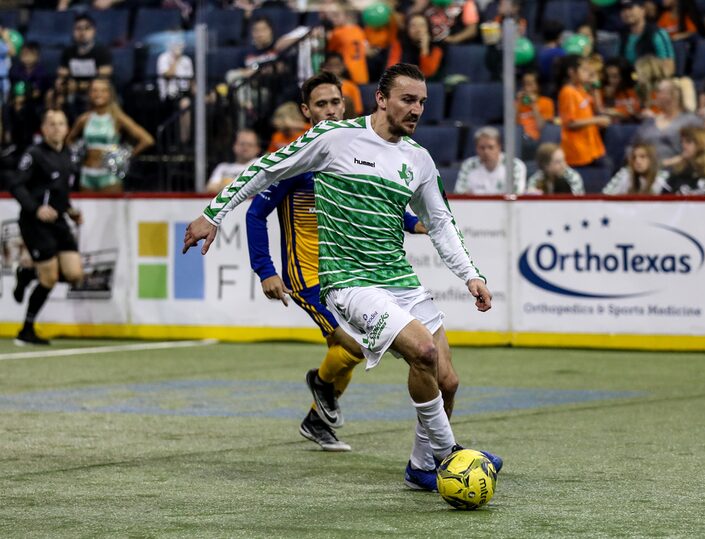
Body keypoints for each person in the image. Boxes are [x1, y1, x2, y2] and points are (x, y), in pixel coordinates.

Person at [182, 63, 502, 492]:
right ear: (381, 99)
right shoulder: (334, 137)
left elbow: (441, 223)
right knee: (423, 352)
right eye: (408, 100)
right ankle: (451, 455)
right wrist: (212, 214)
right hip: (349, 282)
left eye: (423, 102)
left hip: (399, 280)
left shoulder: (418, 159)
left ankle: (421, 465)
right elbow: (267, 169)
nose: (417, 110)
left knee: (448, 381)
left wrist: (471, 276)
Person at [247, 71, 426, 452]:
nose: (330, 111)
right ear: (306, 111)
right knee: (354, 344)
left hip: (345, 269)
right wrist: (266, 270)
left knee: (358, 344)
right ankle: (321, 385)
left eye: (335, 103)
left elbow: (376, 200)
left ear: (344, 105)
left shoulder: (353, 150)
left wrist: (414, 222)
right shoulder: (297, 158)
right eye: (321, 104)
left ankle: (316, 416)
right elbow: (254, 213)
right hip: (307, 271)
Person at [9, 109, 84, 346]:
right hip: (35, 222)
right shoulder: (34, 154)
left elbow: (60, 191)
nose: (56, 128)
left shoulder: (69, 155)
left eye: (61, 123)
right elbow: (16, 185)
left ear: (67, 128)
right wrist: (35, 209)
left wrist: (70, 211)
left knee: (74, 274)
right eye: (51, 124)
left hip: (59, 220)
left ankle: (28, 273)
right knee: (50, 278)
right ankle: (26, 330)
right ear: (43, 128)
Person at [66, 78, 154, 193]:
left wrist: (125, 156)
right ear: (89, 94)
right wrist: (78, 154)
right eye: (95, 90)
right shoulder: (84, 119)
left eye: (103, 91)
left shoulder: (117, 118)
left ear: (110, 94)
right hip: (86, 174)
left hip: (109, 176)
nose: (98, 94)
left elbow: (147, 140)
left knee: (111, 211)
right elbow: (69, 140)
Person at [557, 55, 612, 170]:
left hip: (592, 148)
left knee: (607, 167)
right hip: (577, 151)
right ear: (572, 72)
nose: (587, 73)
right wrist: (597, 120)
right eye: (583, 70)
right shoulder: (567, 92)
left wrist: (596, 86)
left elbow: (599, 109)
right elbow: (570, 123)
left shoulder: (581, 89)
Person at [633, 78, 702, 166]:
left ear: (673, 95)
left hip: (677, 172)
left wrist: (667, 163)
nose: (654, 95)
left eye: (659, 91)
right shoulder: (649, 122)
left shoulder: (690, 121)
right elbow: (633, 146)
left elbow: (699, 149)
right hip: (647, 171)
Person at [56, 14, 113, 100]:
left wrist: (80, 85)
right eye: (78, 29)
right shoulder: (68, 51)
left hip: (95, 90)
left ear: (94, 31)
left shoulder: (102, 51)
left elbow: (106, 73)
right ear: (73, 31)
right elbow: (62, 72)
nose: (82, 33)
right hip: (72, 90)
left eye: (87, 28)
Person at [455, 126, 527, 194]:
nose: (486, 151)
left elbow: (518, 195)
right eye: (482, 148)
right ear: (476, 148)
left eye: (491, 147)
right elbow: (459, 194)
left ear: (499, 147)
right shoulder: (468, 165)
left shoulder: (514, 165)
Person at [619, 0, 676, 76]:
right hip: (631, 81)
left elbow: (669, 67)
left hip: (653, 81)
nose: (626, 13)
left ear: (643, 10)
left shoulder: (657, 33)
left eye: (630, 8)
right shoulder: (623, 36)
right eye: (623, 10)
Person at [386, 13, 444, 80]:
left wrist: (424, 49)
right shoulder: (399, 44)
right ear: (407, 29)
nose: (418, 29)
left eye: (422, 26)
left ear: (428, 28)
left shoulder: (436, 48)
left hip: (426, 85)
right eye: (413, 26)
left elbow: (428, 73)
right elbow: (391, 71)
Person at [324, 3, 370, 85]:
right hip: (362, 75)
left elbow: (331, 55)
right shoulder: (359, 30)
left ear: (346, 15)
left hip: (346, 77)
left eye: (336, 15)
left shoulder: (337, 33)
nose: (333, 19)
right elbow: (367, 50)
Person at [603, 142, 672, 194]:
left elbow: (677, 203)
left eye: (642, 157)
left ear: (651, 160)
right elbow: (605, 198)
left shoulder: (664, 178)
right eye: (634, 157)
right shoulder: (624, 174)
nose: (637, 161)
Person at [206, 129, 261, 194]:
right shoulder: (222, 167)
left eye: (250, 145)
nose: (245, 148)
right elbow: (211, 189)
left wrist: (226, 184)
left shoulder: (262, 165)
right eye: (242, 144)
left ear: (257, 148)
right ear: (234, 146)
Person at [321, 52, 364, 118]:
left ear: (343, 66)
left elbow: (357, 111)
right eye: (330, 65)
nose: (334, 69)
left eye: (337, 65)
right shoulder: (320, 87)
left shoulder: (352, 87)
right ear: (324, 67)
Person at [516, 71, 555, 142]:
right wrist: (517, 104)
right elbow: (510, 125)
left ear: (538, 86)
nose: (526, 87)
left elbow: (541, 127)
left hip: (536, 140)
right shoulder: (517, 103)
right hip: (518, 139)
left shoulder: (547, 102)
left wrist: (534, 105)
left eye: (529, 84)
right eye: (524, 84)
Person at [602, 57, 642, 123]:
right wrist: (608, 98)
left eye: (615, 76)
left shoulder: (636, 89)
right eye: (608, 76)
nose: (610, 80)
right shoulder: (604, 91)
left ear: (624, 76)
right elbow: (604, 114)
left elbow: (639, 112)